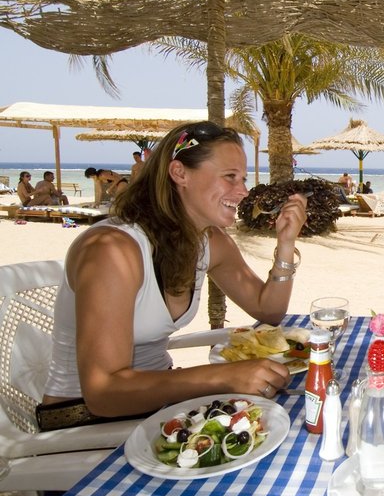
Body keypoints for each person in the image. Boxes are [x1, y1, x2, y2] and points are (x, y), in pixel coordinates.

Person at [40, 121, 307, 425]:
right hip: (84, 420)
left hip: (159, 403)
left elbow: (269, 310)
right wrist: (220, 376)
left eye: (243, 179)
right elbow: (103, 393)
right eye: (230, 177)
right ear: (180, 173)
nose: (243, 191)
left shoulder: (209, 241)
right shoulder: (112, 249)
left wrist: (286, 243)